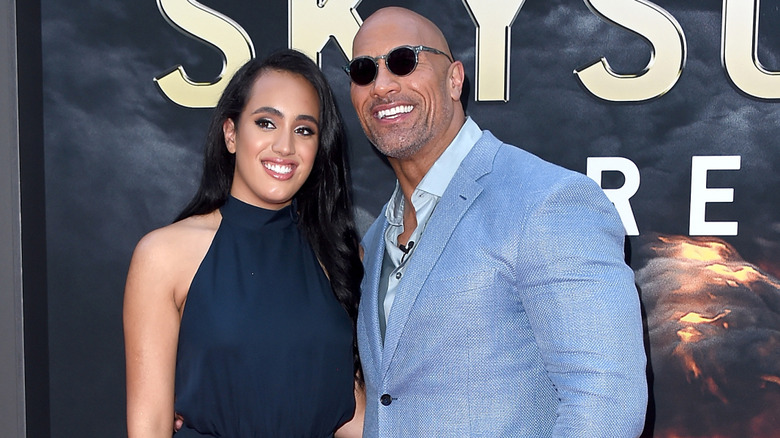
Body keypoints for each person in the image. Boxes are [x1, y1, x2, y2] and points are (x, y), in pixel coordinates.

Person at [345, 7, 648, 437]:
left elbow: (606, 405)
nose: (382, 85)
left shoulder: (547, 200)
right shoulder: (378, 237)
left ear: (454, 78)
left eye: (403, 61)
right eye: (363, 71)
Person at [124, 50, 365, 437]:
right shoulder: (164, 256)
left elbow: (352, 413)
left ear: (319, 149)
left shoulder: (338, 256)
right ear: (231, 134)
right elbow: (149, 425)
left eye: (304, 130)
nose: (284, 146)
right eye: (266, 123)